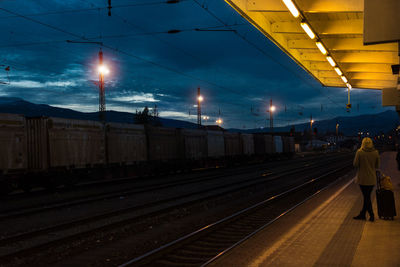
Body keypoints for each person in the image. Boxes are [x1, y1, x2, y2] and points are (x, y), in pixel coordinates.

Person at [353, 137, 380, 222]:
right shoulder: (376, 152)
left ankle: (371, 215)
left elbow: (355, 164)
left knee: (366, 197)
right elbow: (377, 166)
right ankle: (362, 214)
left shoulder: (359, 152)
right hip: (372, 179)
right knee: (366, 197)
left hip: (362, 179)